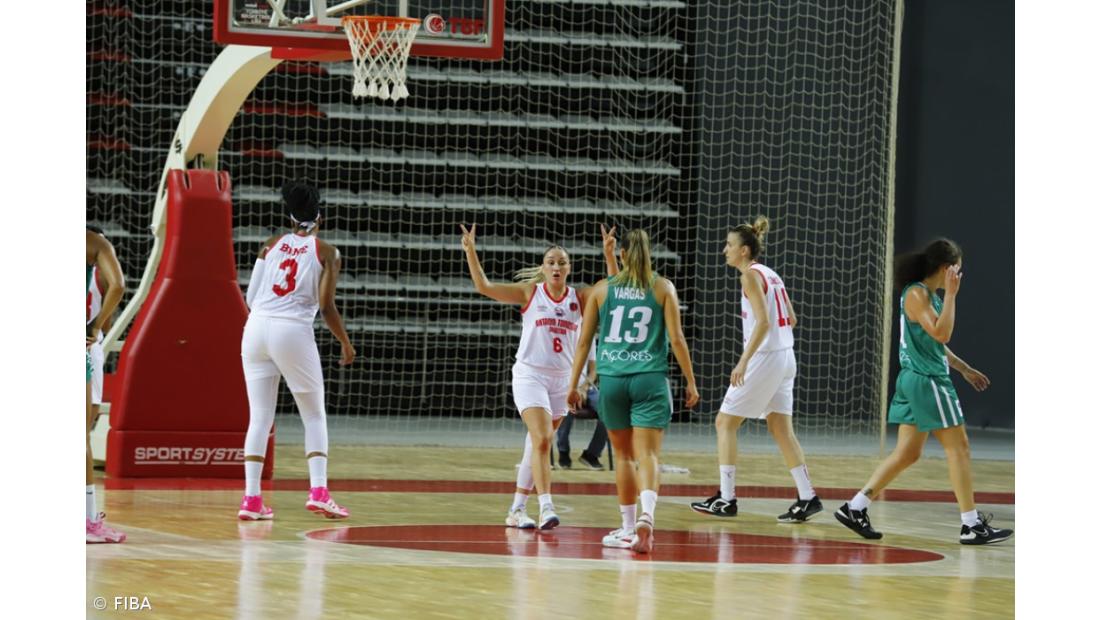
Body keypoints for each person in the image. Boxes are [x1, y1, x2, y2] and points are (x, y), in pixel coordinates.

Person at [835, 239, 1013, 545]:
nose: (959, 276)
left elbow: (935, 344)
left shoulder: (927, 295)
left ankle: (856, 507)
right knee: (960, 448)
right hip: (926, 381)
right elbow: (942, 332)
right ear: (946, 268)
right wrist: (954, 295)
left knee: (908, 452)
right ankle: (971, 524)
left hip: (915, 380)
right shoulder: (918, 294)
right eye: (957, 270)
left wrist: (964, 368)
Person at [460, 224, 618, 530]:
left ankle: (516, 509)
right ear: (543, 268)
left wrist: (609, 255)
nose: (556, 266)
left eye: (562, 261)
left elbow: (613, 290)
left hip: (562, 381)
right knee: (544, 438)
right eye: (551, 262)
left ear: (569, 268)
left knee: (535, 445)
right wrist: (470, 252)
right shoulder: (530, 293)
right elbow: (484, 286)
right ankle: (547, 506)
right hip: (530, 376)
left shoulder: (580, 297)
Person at [568, 228, 700, 554]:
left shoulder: (601, 290)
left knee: (624, 457)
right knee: (649, 456)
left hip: (613, 381)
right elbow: (678, 340)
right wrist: (691, 380)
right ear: (649, 253)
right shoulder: (663, 287)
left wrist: (573, 385)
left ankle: (628, 528)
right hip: (650, 379)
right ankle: (647, 517)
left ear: (623, 254)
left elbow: (584, 342)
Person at [690, 217, 822, 522]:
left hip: (766, 357)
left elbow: (763, 322)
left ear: (745, 250)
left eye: (730, 245)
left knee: (724, 423)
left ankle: (726, 499)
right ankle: (807, 497)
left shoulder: (749, 276)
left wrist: (743, 361)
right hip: (786, 356)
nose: (725, 250)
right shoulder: (771, 274)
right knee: (780, 429)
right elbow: (791, 318)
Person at [239, 181, 356, 521]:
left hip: (255, 329)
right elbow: (326, 306)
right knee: (314, 414)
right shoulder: (327, 252)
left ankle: (251, 500)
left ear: (289, 217)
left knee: (259, 417)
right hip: (292, 330)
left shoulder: (270, 245)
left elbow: (250, 298)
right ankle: (319, 491)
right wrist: (345, 342)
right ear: (319, 217)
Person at [86, 228, 126, 543]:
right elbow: (119, 285)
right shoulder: (95, 245)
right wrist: (96, 325)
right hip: (86, 343)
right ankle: (87, 520)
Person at [555, 339, 609, 470]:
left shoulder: (586, 339)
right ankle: (563, 453)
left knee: (610, 410)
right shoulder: (560, 337)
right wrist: (571, 390)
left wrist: (583, 388)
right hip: (563, 388)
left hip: (586, 390)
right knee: (566, 407)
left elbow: (593, 370)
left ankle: (591, 455)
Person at [86, 225, 114, 431]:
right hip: (90, 340)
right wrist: (97, 328)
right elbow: (107, 322)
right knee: (93, 402)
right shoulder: (103, 275)